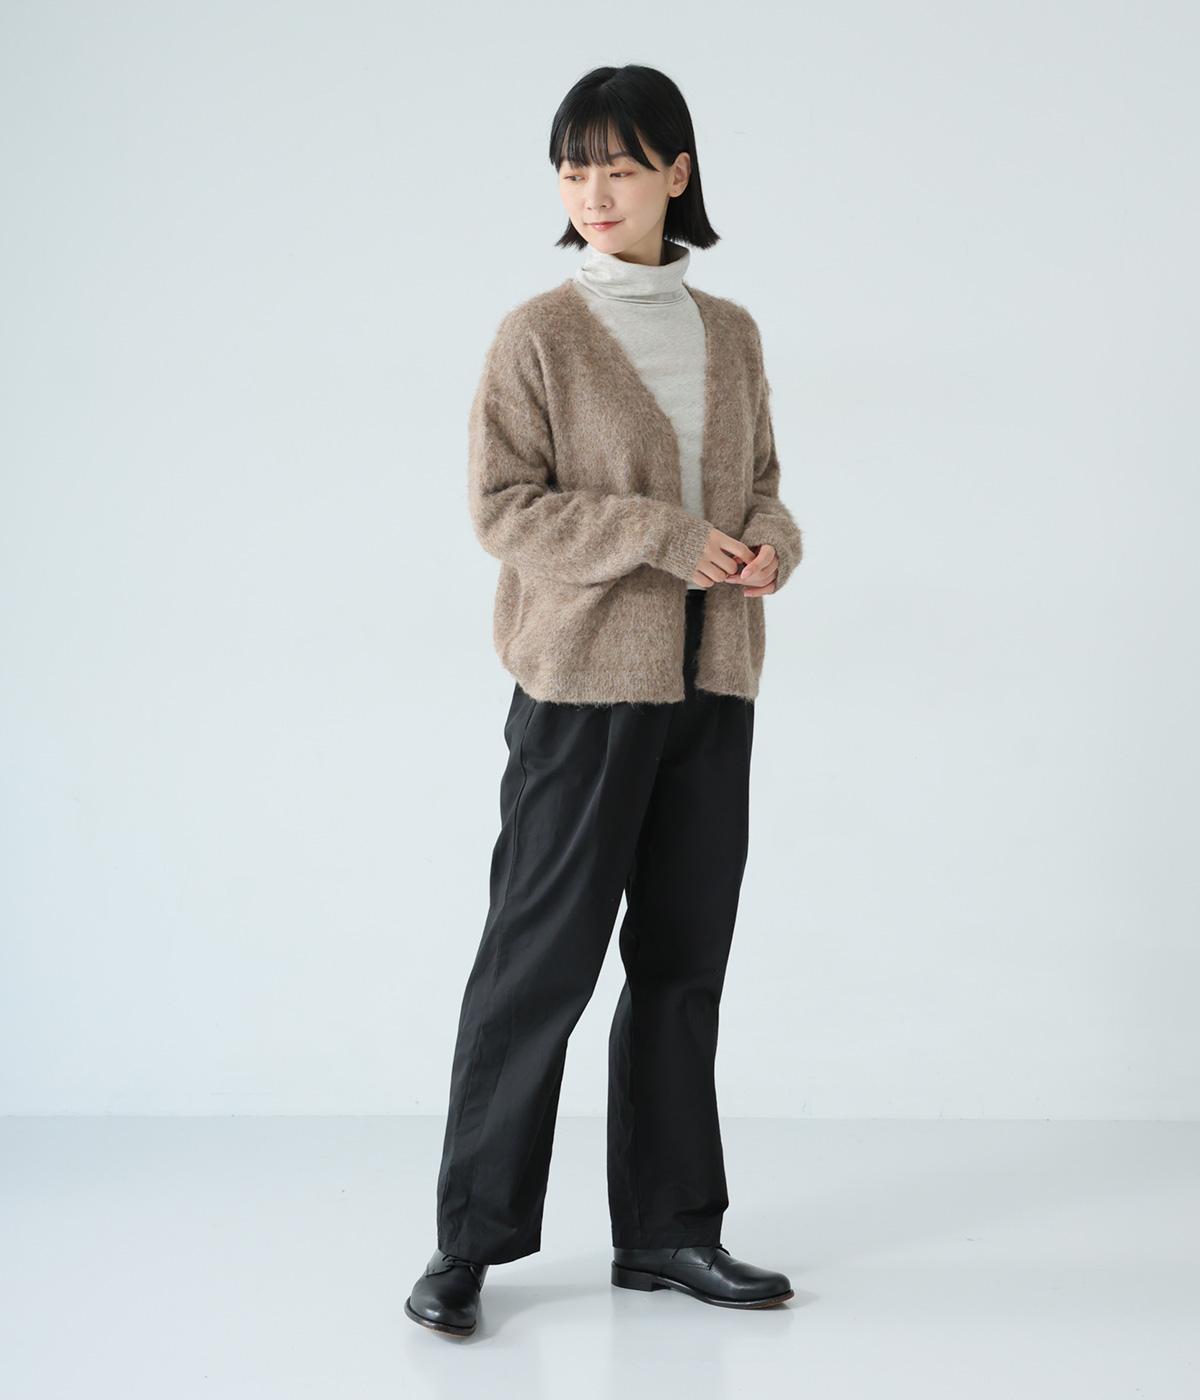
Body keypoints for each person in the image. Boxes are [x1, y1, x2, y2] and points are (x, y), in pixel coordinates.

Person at [405, 63, 803, 1338]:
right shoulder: (540, 333)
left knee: (683, 964)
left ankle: (671, 1228)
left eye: (619, 167)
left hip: (712, 681)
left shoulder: (730, 331)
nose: (593, 191)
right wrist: (665, 537)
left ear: (677, 174)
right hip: (582, 689)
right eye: (574, 169)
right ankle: (467, 1244)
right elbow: (504, 508)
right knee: (538, 965)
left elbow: (763, 481)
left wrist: (771, 543)